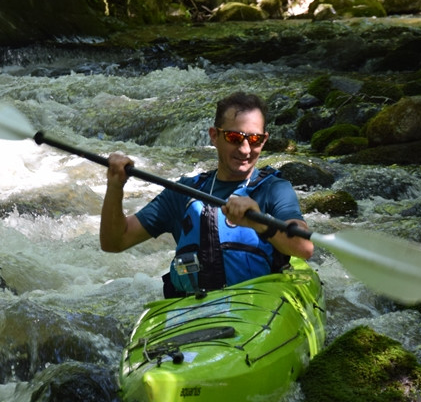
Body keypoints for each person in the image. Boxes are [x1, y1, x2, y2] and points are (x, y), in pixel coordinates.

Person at [99, 92, 313, 297]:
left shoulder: (275, 189)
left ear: (264, 140)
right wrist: (115, 186)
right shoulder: (183, 192)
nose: (245, 149)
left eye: (255, 139)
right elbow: (114, 242)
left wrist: (261, 223)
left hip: (259, 307)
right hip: (197, 310)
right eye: (234, 137)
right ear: (214, 136)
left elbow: (304, 248)